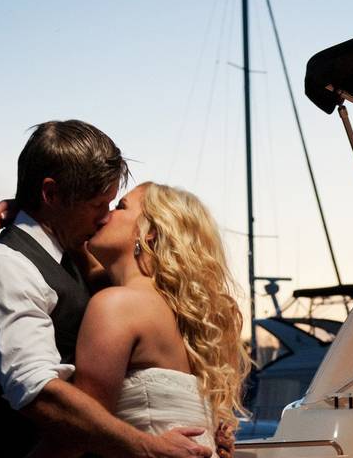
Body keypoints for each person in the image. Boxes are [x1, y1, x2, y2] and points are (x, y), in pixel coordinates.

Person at [0, 120, 216, 458]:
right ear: (51, 194)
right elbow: (40, 393)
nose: (105, 216)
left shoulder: (77, 262)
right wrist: (148, 447)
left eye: (114, 205)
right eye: (98, 205)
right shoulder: (5, 265)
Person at [29, 182, 249, 457]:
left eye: (120, 207)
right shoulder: (200, 321)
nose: (105, 215)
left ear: (150, 232)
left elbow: (77, 432)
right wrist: (35, 215)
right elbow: (84, 256)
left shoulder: (117, 306)